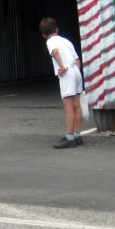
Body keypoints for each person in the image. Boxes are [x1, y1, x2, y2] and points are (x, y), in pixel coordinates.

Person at [39, 17, 85, 149]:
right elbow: (77, 59)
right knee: (77, 105)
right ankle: (77, 136)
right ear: (57, 29)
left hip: (67, 74)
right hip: (76, 71)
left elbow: (55, 52)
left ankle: (70, 138)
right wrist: (76, 72)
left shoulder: (50, 41)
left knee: (68, 106)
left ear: (43, 35)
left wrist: (62, 67)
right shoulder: (66, 41)